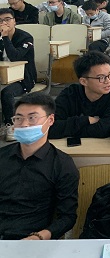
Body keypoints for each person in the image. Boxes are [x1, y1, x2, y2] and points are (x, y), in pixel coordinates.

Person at [0, 93, 79, 240]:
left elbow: (67, 217)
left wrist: (39, 237)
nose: (24, 124)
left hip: (30, 238)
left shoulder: (62, 164)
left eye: (32, 118)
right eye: (18, 118)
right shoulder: (2, 156)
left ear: (50, 120)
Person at [49, 52, 110, 139]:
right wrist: (85, 120)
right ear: (83, 81)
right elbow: (50, 127)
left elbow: (104, 130)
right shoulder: (69, 94)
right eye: (101, 77)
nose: (108, 81)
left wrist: (69, 130)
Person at [0, 8, 36, 126]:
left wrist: (5, 37)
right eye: (0, 21)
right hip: (3, 75)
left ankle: (10, 124)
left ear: (14, 21)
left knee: (7, 93)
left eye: (7, 19)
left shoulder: (26, 37)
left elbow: (15, 56)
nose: (4, 23)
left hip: (23, 78)